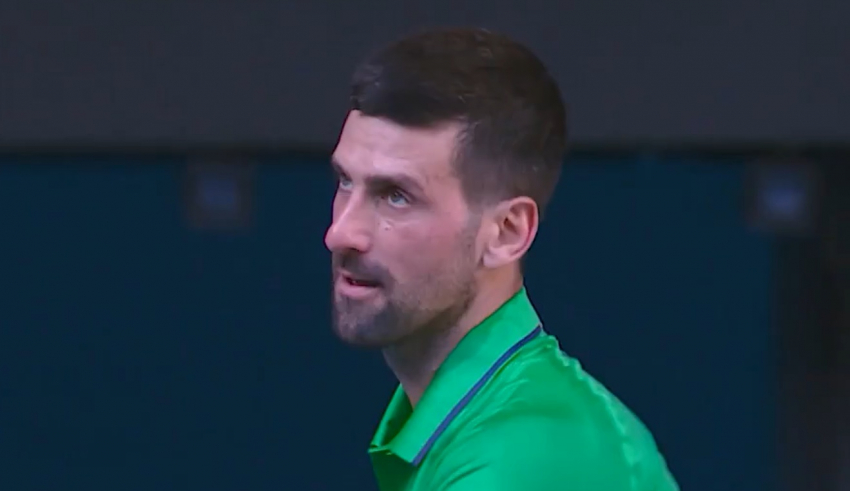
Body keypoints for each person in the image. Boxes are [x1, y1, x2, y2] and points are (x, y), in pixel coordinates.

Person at [324, 27, 680, 491]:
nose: (340, 233)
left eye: (396, 196)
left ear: (507, 233)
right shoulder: (487, 425)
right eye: (345, 182)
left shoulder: (522, 458)